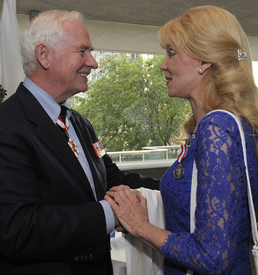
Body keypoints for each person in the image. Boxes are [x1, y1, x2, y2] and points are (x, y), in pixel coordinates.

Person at [0, 10, 159, 275]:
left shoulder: (78, 123)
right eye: (82, 51)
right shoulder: (1, 128)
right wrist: (110, 214)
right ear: (44, 55)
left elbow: (111, 179)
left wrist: (180, 185)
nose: (93, 62)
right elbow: (16, 230)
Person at [105, 5, 258, 274]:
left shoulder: (217, 128)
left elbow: (212, 257)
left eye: (171, 53)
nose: (163, 64)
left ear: (203, 61)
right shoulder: (225, 124)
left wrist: (140, 226)